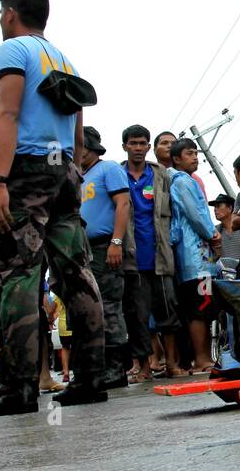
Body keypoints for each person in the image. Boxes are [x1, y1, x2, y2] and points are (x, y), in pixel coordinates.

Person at [0, 0, 107, 413]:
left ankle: (19, 387)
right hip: (64, 172)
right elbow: (75, 133)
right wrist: (71, 169)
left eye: (1, 12)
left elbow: (8, 112)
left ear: (11, 13)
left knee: (18, 272)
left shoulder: (13, 51)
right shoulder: (63, 59)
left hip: (28, 170)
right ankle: (92, 377)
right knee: (75, 271)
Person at [121, 124, 181, 378]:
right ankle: (144, 368)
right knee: (137, 317)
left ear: (148, 147)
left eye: (142, 143)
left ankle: (173, 365)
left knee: (168, 312)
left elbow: (175, 212)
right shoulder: (116, 174)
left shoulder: (162, 175)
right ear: (124, 146)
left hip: (161, 255)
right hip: (131, 258)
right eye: (133, 143)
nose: (138, 148)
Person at [78, 126, 132, 390]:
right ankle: (97, 367)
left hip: (105, 245)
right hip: (83, 251)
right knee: (90, 308)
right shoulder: (78, 176)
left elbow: (123, 204)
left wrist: (116, 242)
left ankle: (116, 368)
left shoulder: (108, 168)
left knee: (109, 305)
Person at [168, 138, 219, 373]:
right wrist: (212, 234)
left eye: (196, 153)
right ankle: (202, 359)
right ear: (177, 159)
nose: (195, 158)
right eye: (189, 154)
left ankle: (202, 357)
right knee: (201, 307)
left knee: (200, 307)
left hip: (192, 258)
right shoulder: (183, 182)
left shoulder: (179, 180)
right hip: (196, 258)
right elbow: (197, 214)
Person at [211, 193, 240, 262]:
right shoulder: (215, 232)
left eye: (218, 206)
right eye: (215, 207)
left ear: (230, 208)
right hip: (225, 272)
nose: (215, 209)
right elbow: (211, 259)